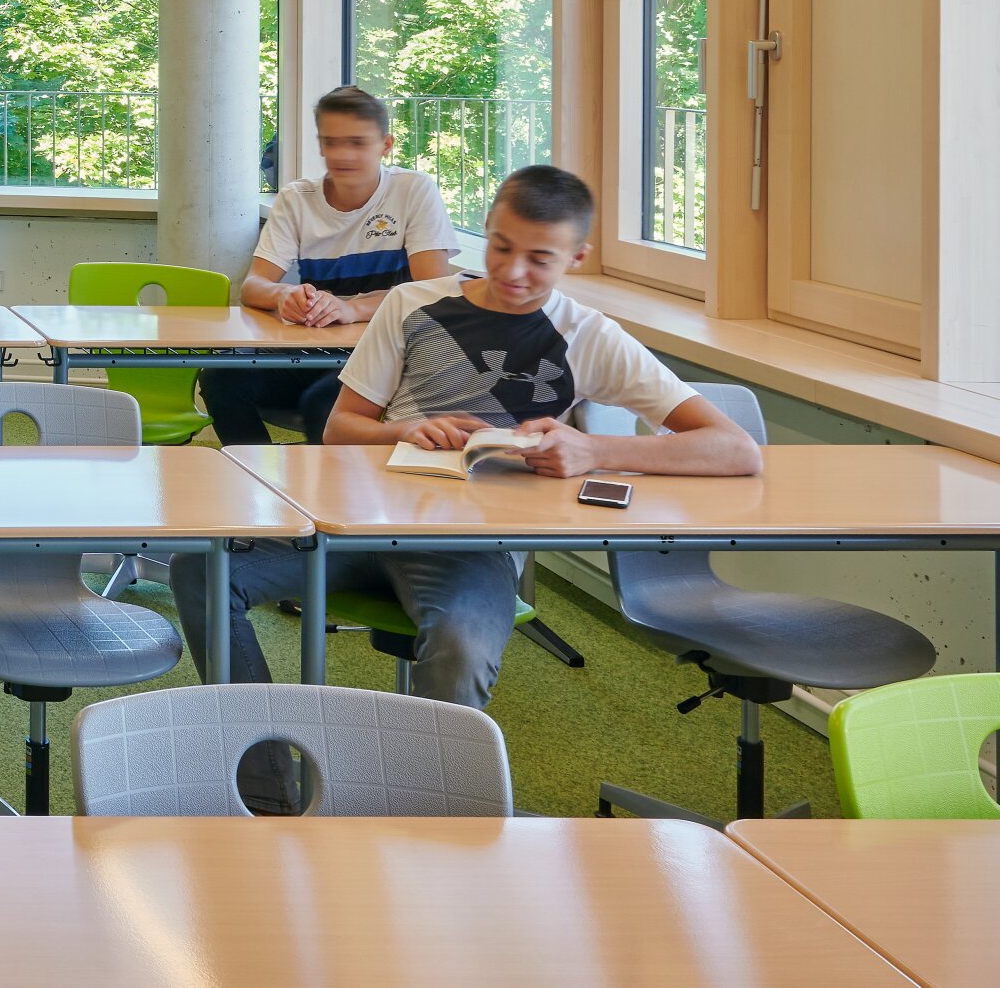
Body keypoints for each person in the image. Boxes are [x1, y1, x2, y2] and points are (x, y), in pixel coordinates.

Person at [169, 165, 760, 742]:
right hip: (354, 523)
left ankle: (418, 816)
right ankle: (262, 780)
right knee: (201, 570)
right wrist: (403, 431)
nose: (512, 271)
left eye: (540, 259)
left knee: (463, 648)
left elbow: (735, 450)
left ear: (576, 257)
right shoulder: (412, 304)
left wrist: (592, 449)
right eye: (501, 248)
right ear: (486, 228)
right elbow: (341, 429)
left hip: (470, 548)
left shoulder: (589, 335)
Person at [208, 85, 458, 446]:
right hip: (315, 351)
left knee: (323, 404)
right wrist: (284, 296)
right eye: (331, 142)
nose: (342, 154)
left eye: (357, 142)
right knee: (221, 379)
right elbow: (253, 287)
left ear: (385, 145)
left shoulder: (413, 190)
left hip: (387, 353)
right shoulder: (296, 197)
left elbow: (433, 291)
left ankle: (322, 495)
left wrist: (350, 307)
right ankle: (258, 479)